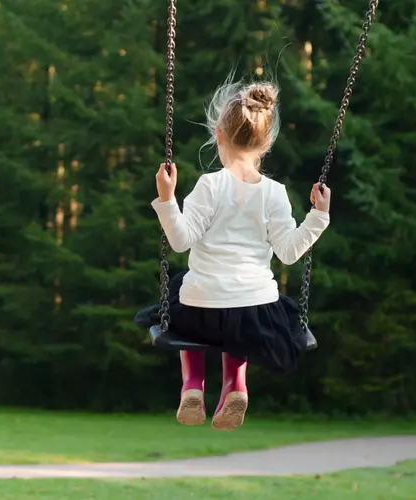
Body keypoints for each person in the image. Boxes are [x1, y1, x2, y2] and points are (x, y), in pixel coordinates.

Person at [135, 78, 331, 431]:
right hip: (254, 311)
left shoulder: (210, 185)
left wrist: (167, 199)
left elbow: (180, 241)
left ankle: (192, 385)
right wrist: (318, 216)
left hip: (201, 309)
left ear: (218, 135)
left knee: (184, 294)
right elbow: (289, 253)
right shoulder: (274, 193)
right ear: (266, 143)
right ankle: (236, 386)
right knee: (240, 317)